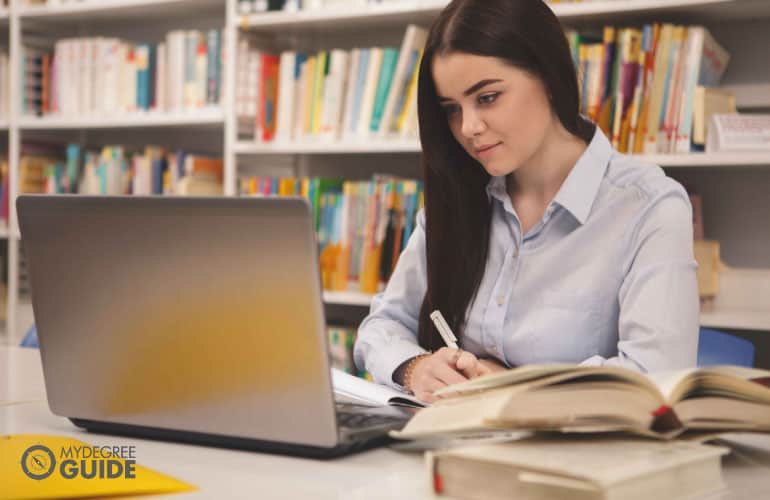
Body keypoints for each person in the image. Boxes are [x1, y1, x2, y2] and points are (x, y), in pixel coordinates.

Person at [354, 0, 699, 403]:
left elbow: (656, 376)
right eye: (451, 109)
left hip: (586, 458)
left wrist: (513, 387)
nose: (468, 128)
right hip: (454, 446)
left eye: (487, 98)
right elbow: (381, 325)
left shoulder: (649, 207)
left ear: (549, 77)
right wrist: (416, 368)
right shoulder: (460, 199)